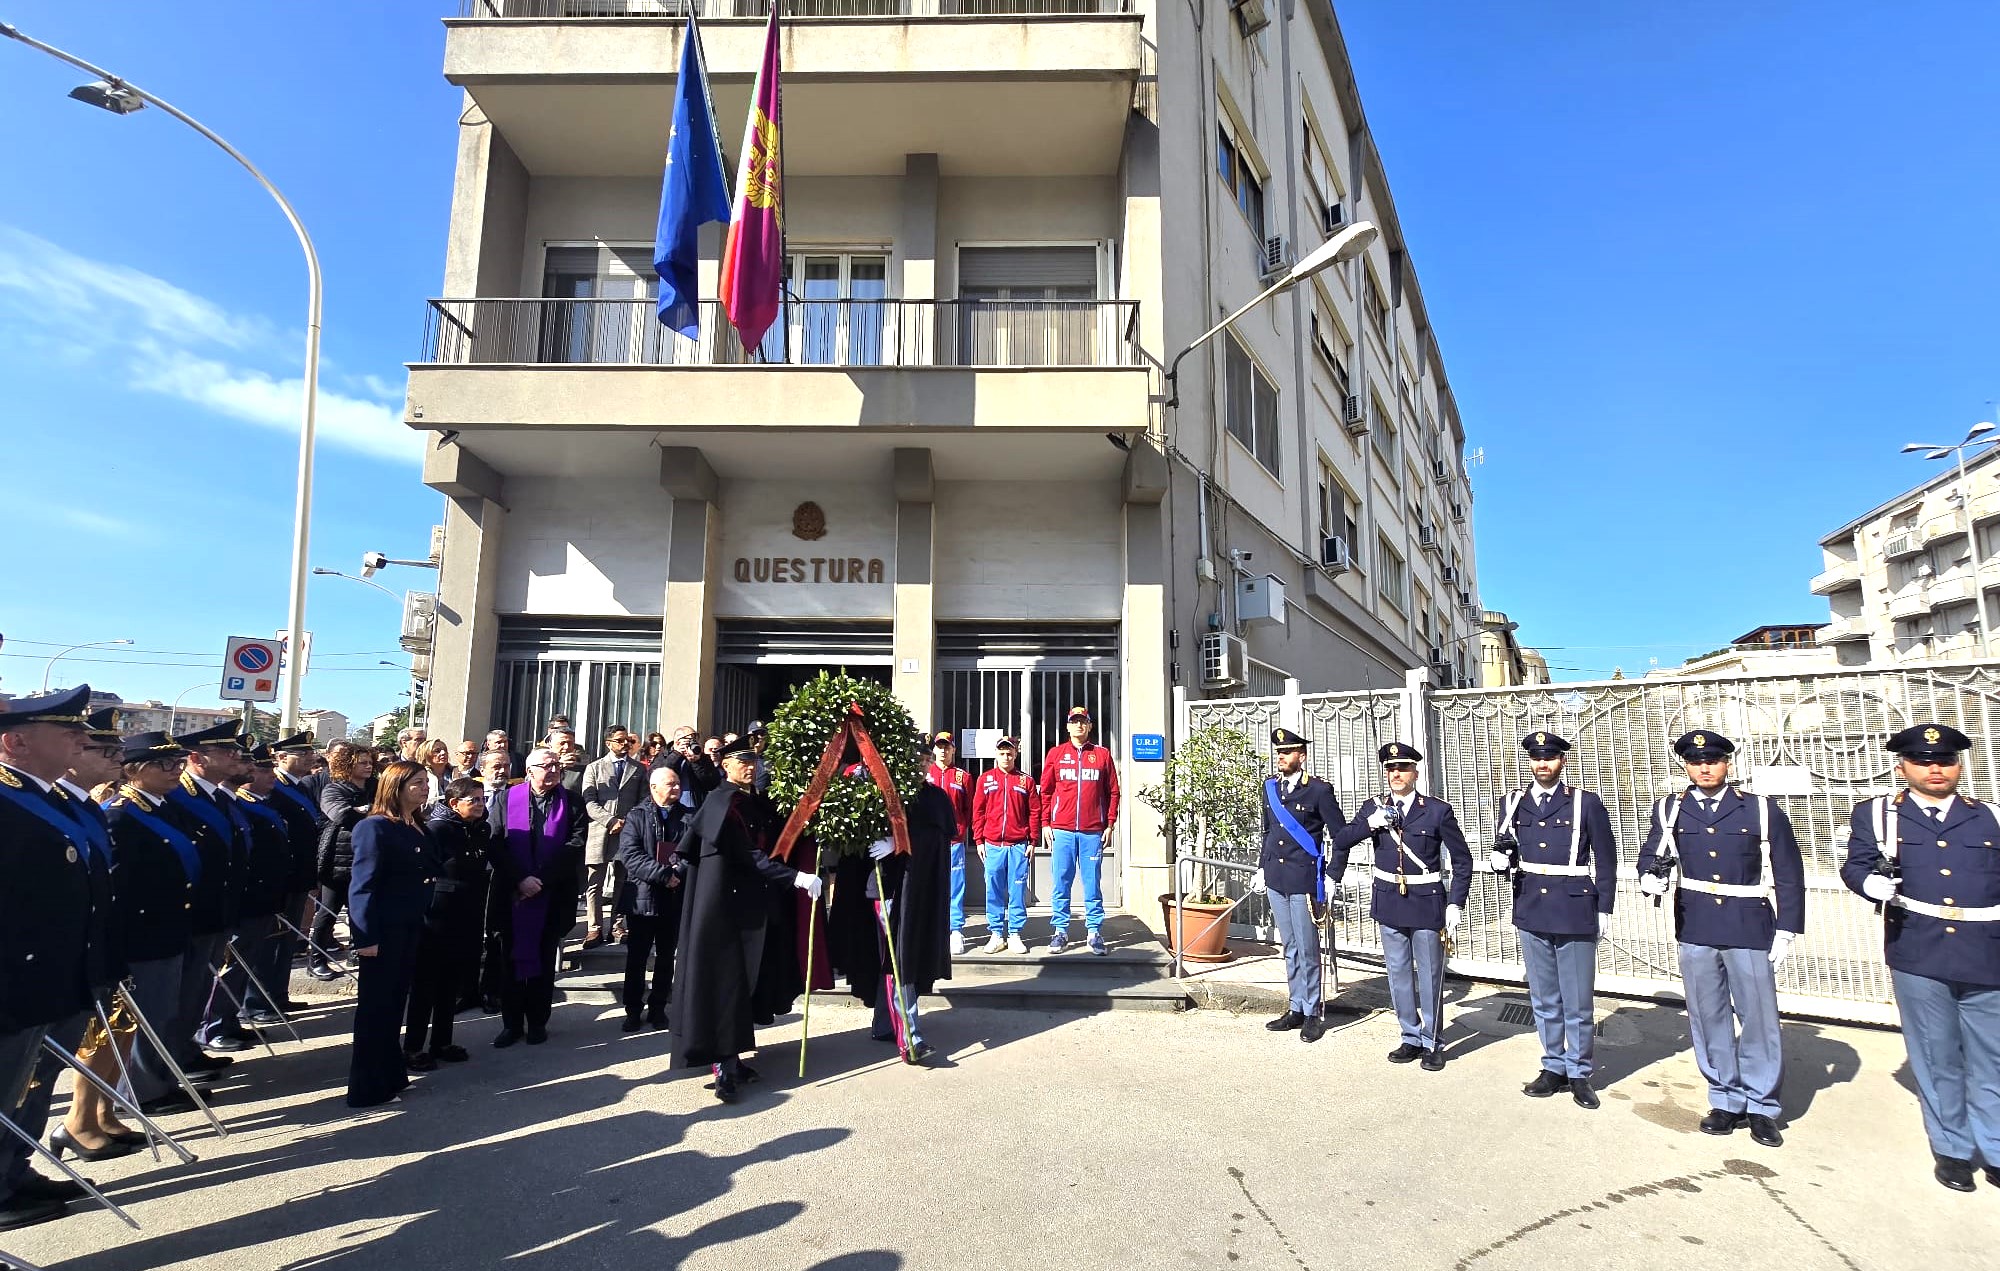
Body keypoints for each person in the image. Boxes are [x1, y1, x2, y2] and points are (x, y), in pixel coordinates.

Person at [1839, 723, 2000, 1192]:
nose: (1935, 769)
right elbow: (1857, 864)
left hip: (1986, 951)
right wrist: (1868, 883)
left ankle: (1995, 1145)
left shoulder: (1989, 816)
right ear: (1902, 767)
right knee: (1935, 1054)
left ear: (1959, 766)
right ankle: (1952, 1148)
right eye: (1923, 761)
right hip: (1919, 948)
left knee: (1993, 1056)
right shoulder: (1879, 816)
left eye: (1945, 761)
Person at [1635, 730, 1804, 1148]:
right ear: (1686, 766)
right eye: (1695, 762)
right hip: (1696, 923)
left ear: (1727, 763)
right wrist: (1648, 877)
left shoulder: (1760, 809)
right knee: (1707, 1014)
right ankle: (1725, 1097)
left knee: (1758, 1016)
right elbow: (1652, 852)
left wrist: (1787, 927)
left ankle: (1762, 1104)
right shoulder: (1671, 808)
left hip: (1748, 924)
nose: (1704, 768)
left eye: (1712, 760)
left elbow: (1788, 871)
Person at [670, 744, 821, 1103]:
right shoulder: (722, 803)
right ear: (725, 765)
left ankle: (734, 1058)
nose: (751, 767)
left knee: (743, 983)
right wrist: (796, 878)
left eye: (753, 761)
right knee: (725, 984)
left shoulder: (748, 800)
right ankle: (723, 1066)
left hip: (749, 905)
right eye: (743, 762)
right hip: (723, 909)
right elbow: (748, 855)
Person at [0, 684, 99, 1230]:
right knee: (7, 1086)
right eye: (67, 732)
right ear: (15, 742)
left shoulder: (54, 799)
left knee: (32, 1085)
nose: (81, 740)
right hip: (15, 978)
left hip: (57, 973)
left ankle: (13, 1169)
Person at [1489, 731, 1617, 1108]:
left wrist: (1605, 907)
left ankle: (1578, 1071)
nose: (1542, 764)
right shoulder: (1513, 802)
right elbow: (1508, 848)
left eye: (1549, 757)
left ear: (1562, 761)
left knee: (1577, 999)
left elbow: (1606, 858)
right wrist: (1501, 862)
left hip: (1574, 907)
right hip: (1531, 906)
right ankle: (1553, 1066)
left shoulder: (1584, 802)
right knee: (1543, 997)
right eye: (1536, 757)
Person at [1329, 741, 1472, 1071]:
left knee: (1431, 974)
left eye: (1403, 768)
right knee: (1398, 973)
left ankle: (1432, 1040)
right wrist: (1371, 824)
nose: (1396, 774)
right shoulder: (1374, 807)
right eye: (1391, 768)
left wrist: (1456, 903)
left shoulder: (1436, 810)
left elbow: (1462, 860)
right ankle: (1410, 1036)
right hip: (1389, 900)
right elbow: (1342, 839)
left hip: (1426, 902)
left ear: (1415, 773)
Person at [49, 709, 135, 1163]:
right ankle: (78, 1120)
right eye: (104, 750)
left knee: (115, 1028)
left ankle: (100, 1111)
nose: (117, 758)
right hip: (68, 947)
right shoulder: (56, 804)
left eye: (118, 750)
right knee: (89, 1037)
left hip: (104, 935)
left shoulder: (83, 805)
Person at [106, 733, 202, 1118]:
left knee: (163, 1011)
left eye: (178, 763)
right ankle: (139, 1093)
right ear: (134, 769)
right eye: (164, 764)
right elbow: (118, 887)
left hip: (170, 926)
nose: (175, 770)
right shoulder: (121, 815)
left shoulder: (162, 808)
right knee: (144, 1016)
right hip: (142, 934)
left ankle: (158, 1081)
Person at [345, 761, 437, 1109]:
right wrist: (365, 937)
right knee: (376, 1009)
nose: (424, 788)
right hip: (384, 929)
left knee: (394, 1004)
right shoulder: (374, 827)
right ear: (395, 787)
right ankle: (367, 1087)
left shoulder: (416, 824)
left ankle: (391, 1073)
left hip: (410, 925)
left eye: (426, 782)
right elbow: (362, 886)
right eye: (417, 783)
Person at [1248, 728, 1345, 1043]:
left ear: (1301, 756)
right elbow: (1268, 832)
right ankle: (1296, 1007)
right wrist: (1262, 868)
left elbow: (1341, 835)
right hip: (1277, 878)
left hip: (1304, 880)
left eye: (1287, 752)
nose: (1281, 757)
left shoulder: (1319, 790)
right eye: (1279, 752)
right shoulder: (1270, 787)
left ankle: (1313, 1011)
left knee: (1307, 947)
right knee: (1289, 946)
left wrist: (1333, 874)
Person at [168, 723, 257, 1058]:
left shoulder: (216, 796)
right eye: (226, 751)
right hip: (194, 912)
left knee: (199, 987)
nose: (236, 756)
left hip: (218, 910)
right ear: (196, 758)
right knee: (183, 991)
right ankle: (175, 1058)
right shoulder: (179, 797)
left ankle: (187, 1050)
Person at [489, 747, 583, 1047]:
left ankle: (538, 1022)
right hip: (513, 894)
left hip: (552, 893)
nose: (554, 770)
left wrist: (541, 880)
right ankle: (512, 1024)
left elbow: (575, 844)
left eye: (556, 765)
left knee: (544, 959)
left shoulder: (572, 801)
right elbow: (495, 843)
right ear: (529, 771)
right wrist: (521, 879)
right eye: (546, 765)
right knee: (511, 961)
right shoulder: (507, 799)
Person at [408, 778, 491, 1069]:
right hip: (438, 914)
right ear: (454, 803)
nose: (480, 805)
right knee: (426, 983)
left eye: (482, 799)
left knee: (451, 981)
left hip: (468, 912)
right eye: (473, 800)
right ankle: (413, 1047)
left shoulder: (481, 828)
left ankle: (442, 1042)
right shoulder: (437, 829)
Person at [225, 744, 301, 1032]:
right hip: (250, 897)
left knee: (261, 954)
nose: (271, 774)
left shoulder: (260, 804)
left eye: (271, 768)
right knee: (239, 962)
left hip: (269, 894)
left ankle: (241, 1013)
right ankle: (226, 1020)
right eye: (263, 768)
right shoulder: (242, 804)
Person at [615, 766, 691, 1031]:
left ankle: (658, 1008)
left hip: (673, 897)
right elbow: (630, 855)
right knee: (637, 958)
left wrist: (677, 874)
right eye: (671, 784)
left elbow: (691, 852)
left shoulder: (687, 817)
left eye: (678, 783)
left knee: (666, 956)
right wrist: (663, 875)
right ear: (654, 787)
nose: (677, 788)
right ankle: (633, 1010)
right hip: (642, 898)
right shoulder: (637, 816)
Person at [1040, 706, 1121, 955]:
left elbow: (1113, 792)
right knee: (1061, 882)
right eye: (1074, 721)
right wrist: (1045, 823)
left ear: (1090, 726)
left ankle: (1094, 932)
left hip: (1092, 831)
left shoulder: (1102, 755)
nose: (1079, 725)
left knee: (1092, 884)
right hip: (1062, 831)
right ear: (1067, 726)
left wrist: (1109, 824)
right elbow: (1046, 791)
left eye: (1083, 721)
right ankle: (1060, 931)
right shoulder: (1055, 754)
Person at [266, 732, 329, 1011]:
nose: (309, 757)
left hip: (300, 874)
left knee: (287, 942)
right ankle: (264, 1000)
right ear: (281, 758)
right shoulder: (274, 788)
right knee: (274, 941)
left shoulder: (299, 787)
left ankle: (279, 995)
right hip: (285, 877)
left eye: (310, 753)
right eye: (301, 754)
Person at [311, 742, 375, 981]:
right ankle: (316, 959)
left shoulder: (375, 787)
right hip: (339, 859)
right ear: (348, 765)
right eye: (362, 763)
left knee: (362, 911)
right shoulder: (334, 789)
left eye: (370, 762)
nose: (368, 766)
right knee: (329, 911)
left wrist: (364, 810)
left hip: (368, 858)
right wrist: (368, 811)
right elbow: (342, 815)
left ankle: (357, 952)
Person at [971, 736, 1041, 954]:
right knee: (993, 890)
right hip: (992, 845)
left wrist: (1033, 840)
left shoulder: (1026, 781)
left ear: (1015, 754)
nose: (1006, 757)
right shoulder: (985, 779)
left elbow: (1034, 812)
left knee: (1017, 890)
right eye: (1001, 753)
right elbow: (978, 811)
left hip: (1018, 845)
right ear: (996, 754)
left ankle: (1015, 934)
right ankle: (996, 934)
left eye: (1009, 753)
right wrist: (979, 840)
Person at [582, 726, 646, 947]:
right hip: (599, 831)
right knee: (594, 883)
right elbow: (589, 801)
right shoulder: (594, 768)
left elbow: (643, 800)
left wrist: (627, 822)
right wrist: (610, 820)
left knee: (622, 881)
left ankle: (617, 926)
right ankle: (594, 928)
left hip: (627, 831)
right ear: (608, 743)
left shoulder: (638, 769)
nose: (625, 744)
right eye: (620, 740)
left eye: (628, 740)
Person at [925, 731, 975, 956]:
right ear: (934, 749)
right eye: (940, 746)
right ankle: (932, 929)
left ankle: (955, 930)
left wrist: (960, 831)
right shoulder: (925, 773)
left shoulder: (963, 777)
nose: (943, 750)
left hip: (954, 842)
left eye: (947, 747)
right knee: (929, 885)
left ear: (954, 749)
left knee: (955, 886)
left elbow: (968, 808)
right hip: (928, 842)